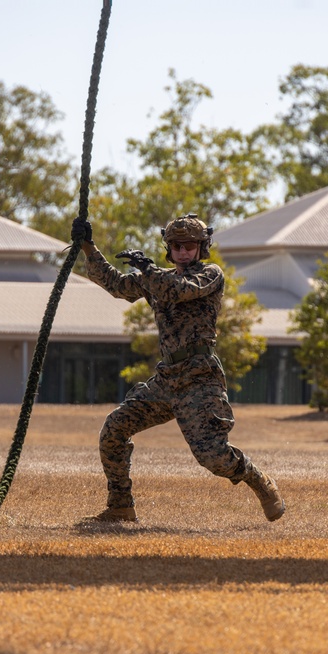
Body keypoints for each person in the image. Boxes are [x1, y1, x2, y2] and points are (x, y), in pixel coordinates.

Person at [70, 213, 285, 523]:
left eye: (190, 246)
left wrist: (147, 268)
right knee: (114, 430)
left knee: (214, 457)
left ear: (202, 247)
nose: (183, 252)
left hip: (200, 379)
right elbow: (116, 284)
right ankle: (121, 504)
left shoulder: (210, 274)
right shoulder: (155, 277)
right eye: (177, 246)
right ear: (168, 248)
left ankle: (257, 480)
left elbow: (179, 289)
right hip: (167, 378)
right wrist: (88, 247)